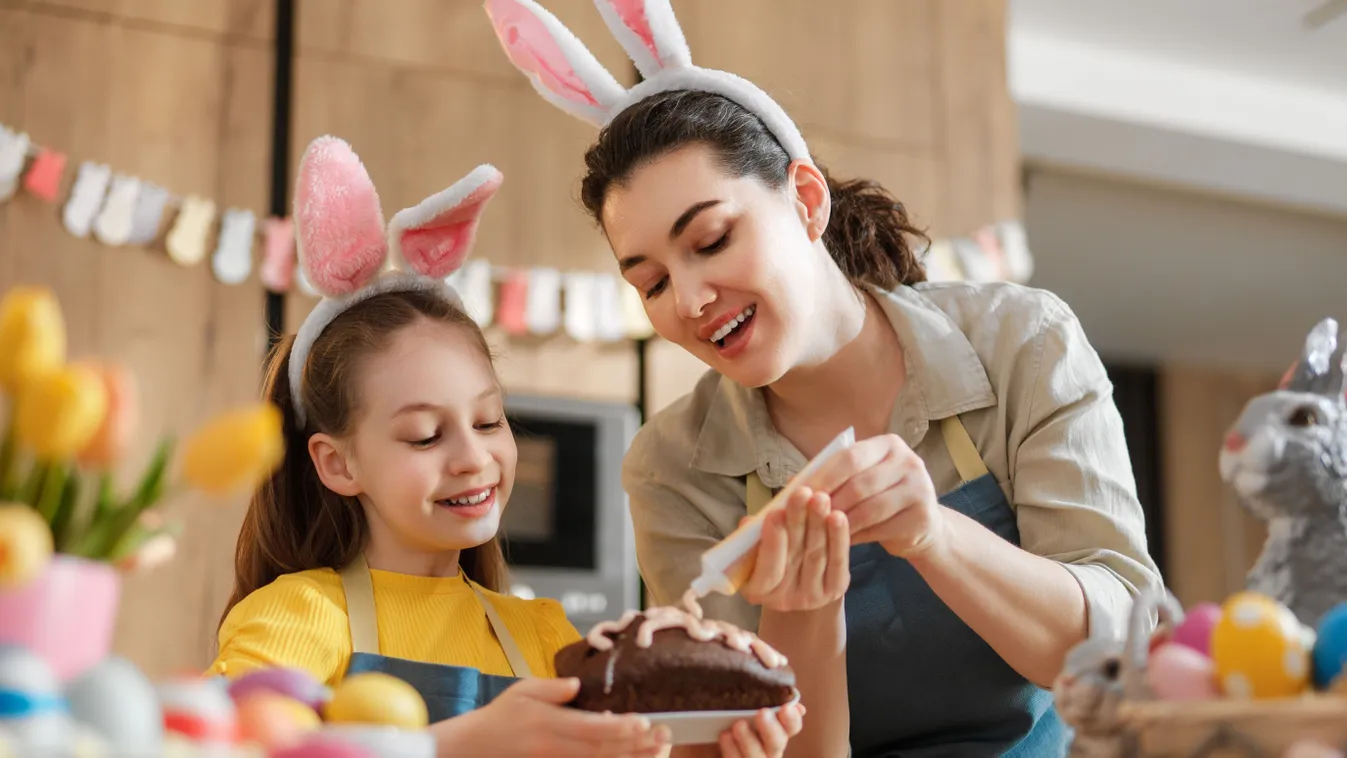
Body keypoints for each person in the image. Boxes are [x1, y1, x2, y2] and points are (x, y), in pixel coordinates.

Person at [486, 1, 1163, 756]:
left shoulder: (1021, 343)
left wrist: (934, 536)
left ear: (806, 200)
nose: (690, 301)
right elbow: (764, 742)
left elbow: (1123, 654)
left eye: (711, 239)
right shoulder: (672, 469)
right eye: (652, 283)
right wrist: (798, 612)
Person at [209, 135, 805, 758]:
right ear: (338, 463)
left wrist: (709, 741)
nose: (473, 458)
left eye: (489, 422)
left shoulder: (543, 634)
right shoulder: (299, 615)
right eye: (425, 435)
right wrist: (461, 744)